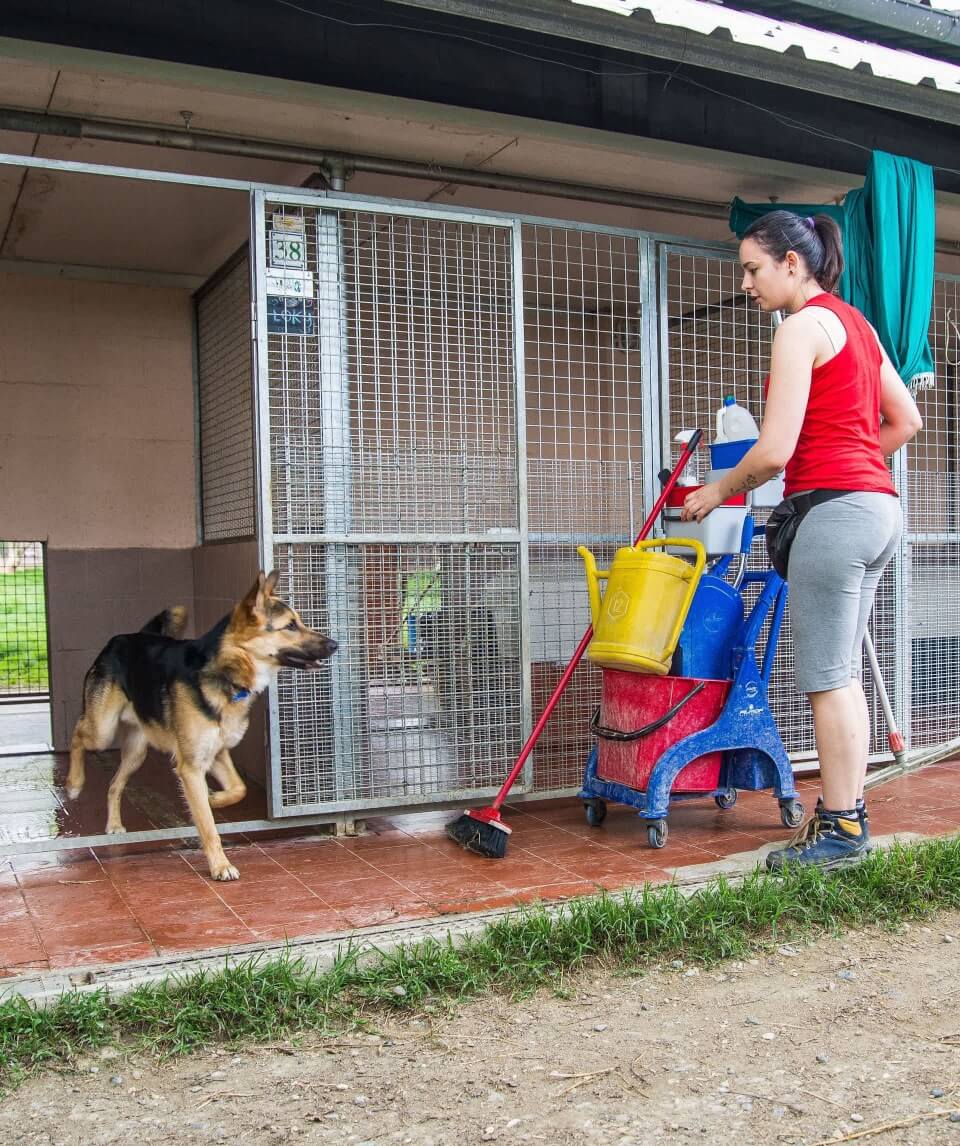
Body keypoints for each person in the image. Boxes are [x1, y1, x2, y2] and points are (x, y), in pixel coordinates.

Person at [681, 210, 922, 870]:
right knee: (840, 674)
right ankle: (848, 820)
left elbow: (774, 450)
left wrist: (713, 491)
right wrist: (854, 463)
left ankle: (840, 830)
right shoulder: (857, 325)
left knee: (825, 677)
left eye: (754, 270)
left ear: (793, 263)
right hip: (877, 510)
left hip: (836, 517)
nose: (748, 286)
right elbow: (906, 420)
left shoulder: (798, 331)